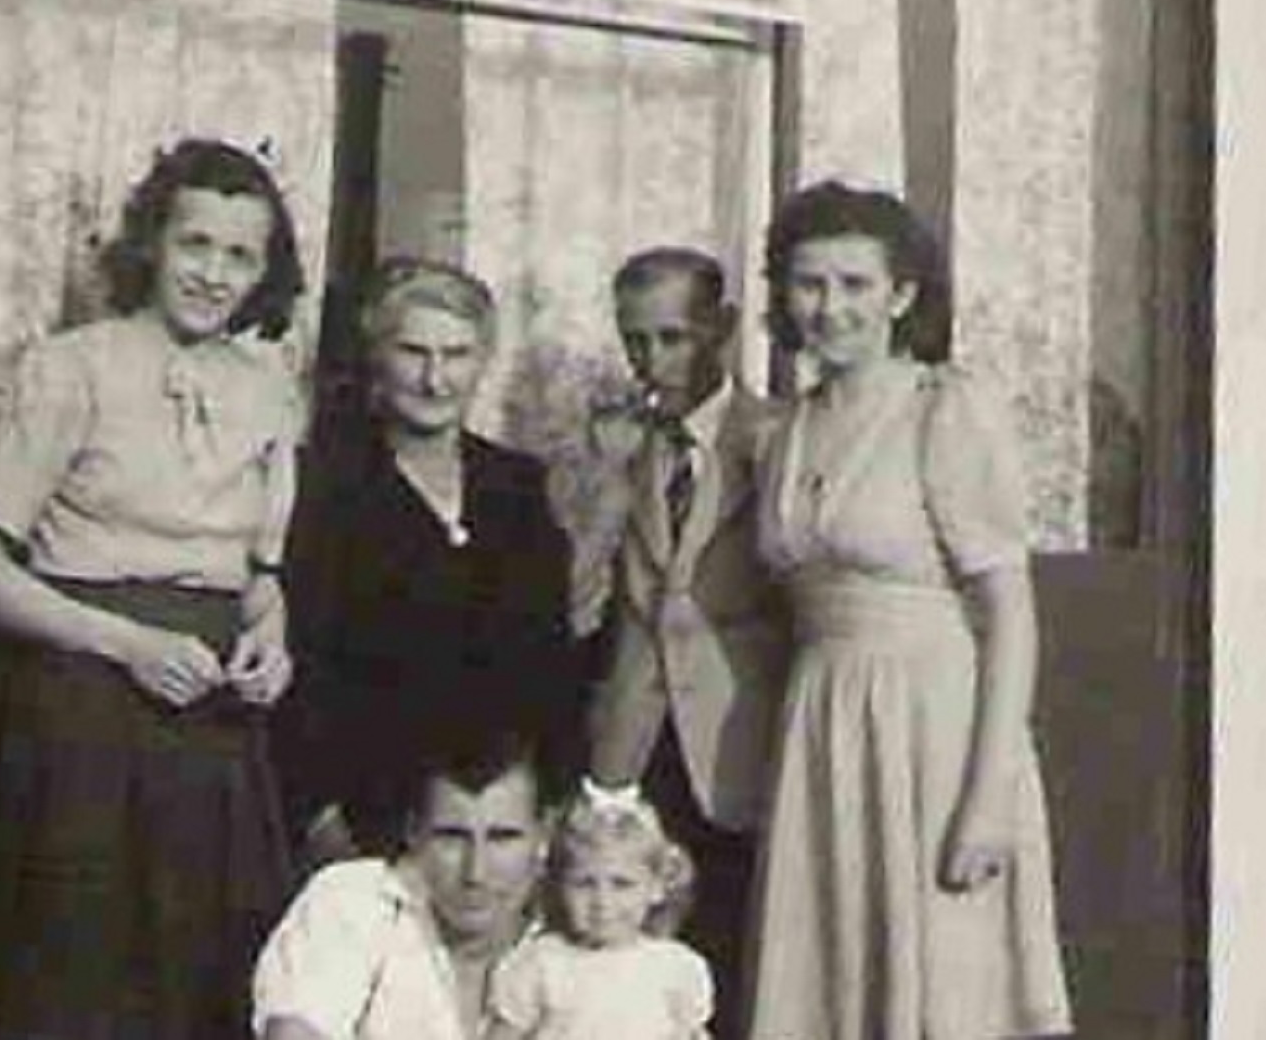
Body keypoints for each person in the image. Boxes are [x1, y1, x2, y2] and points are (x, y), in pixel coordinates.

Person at [0, 137, 305, 1040]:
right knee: (78, 977)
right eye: (196, 244)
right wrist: (128, 645)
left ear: (265, 272)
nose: (215, 275)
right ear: (152, 243)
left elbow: (259, 576)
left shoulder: (269, 391)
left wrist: (272, 638)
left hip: (213, 722)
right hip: (84, 712)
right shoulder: (69, 368)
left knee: (208, 975)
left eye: (240, 255)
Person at [746, 179, 1071, 1040]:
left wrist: (989, 797)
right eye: (809, 283)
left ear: (901, 295)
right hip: (822, 727)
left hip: (933, 729)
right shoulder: (784, 432)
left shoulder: (945, 410)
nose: (831, 307)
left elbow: (1009, 610)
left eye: (856, 284)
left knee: (945, 992)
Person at [278, 257, 585, 860]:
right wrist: (319, 817)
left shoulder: (517, 487)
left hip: (497, 819)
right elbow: (302, 668)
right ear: (377, 358)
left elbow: (552, 661)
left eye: (457, 355)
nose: (435, 379)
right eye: (414, 352)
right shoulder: (324, 486)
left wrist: (552, 804)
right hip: (370, 813)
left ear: (483, 363)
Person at [584, 246, 787, 1040]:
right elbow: (572, 605)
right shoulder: (620, 443)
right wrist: (603, 482)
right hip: (635, 748)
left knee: (735, 974)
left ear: (724, 330)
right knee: (626, 980)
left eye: (673, 337)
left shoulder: (773, 437)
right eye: (635, 340)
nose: (652, 361)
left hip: (741, 739)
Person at [251, 732, 549, 1040]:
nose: (476, 872)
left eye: (503, 838)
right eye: (451, 837)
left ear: (543, 838)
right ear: (413, 834)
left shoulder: (582, 926)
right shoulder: (352, 901)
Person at [491, 792, 713, 1039]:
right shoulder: (542, 963)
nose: (602, 902)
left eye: (622, 884)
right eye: (584, 883)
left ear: (656, 887)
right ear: (560, 885)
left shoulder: (676, 968)